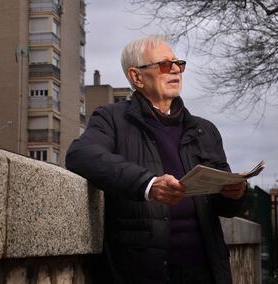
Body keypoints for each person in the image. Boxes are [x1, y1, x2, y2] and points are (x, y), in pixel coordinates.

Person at [66, 35, 248, 284]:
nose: (175, 69)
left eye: (178, 63)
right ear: (137, 77)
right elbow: (81, 155)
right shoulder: (112, 119)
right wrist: (148, 185)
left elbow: (224, 208)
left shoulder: (204, 130)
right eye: (164, 64)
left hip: (206, 271)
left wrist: (234, 194)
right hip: (142, 271)